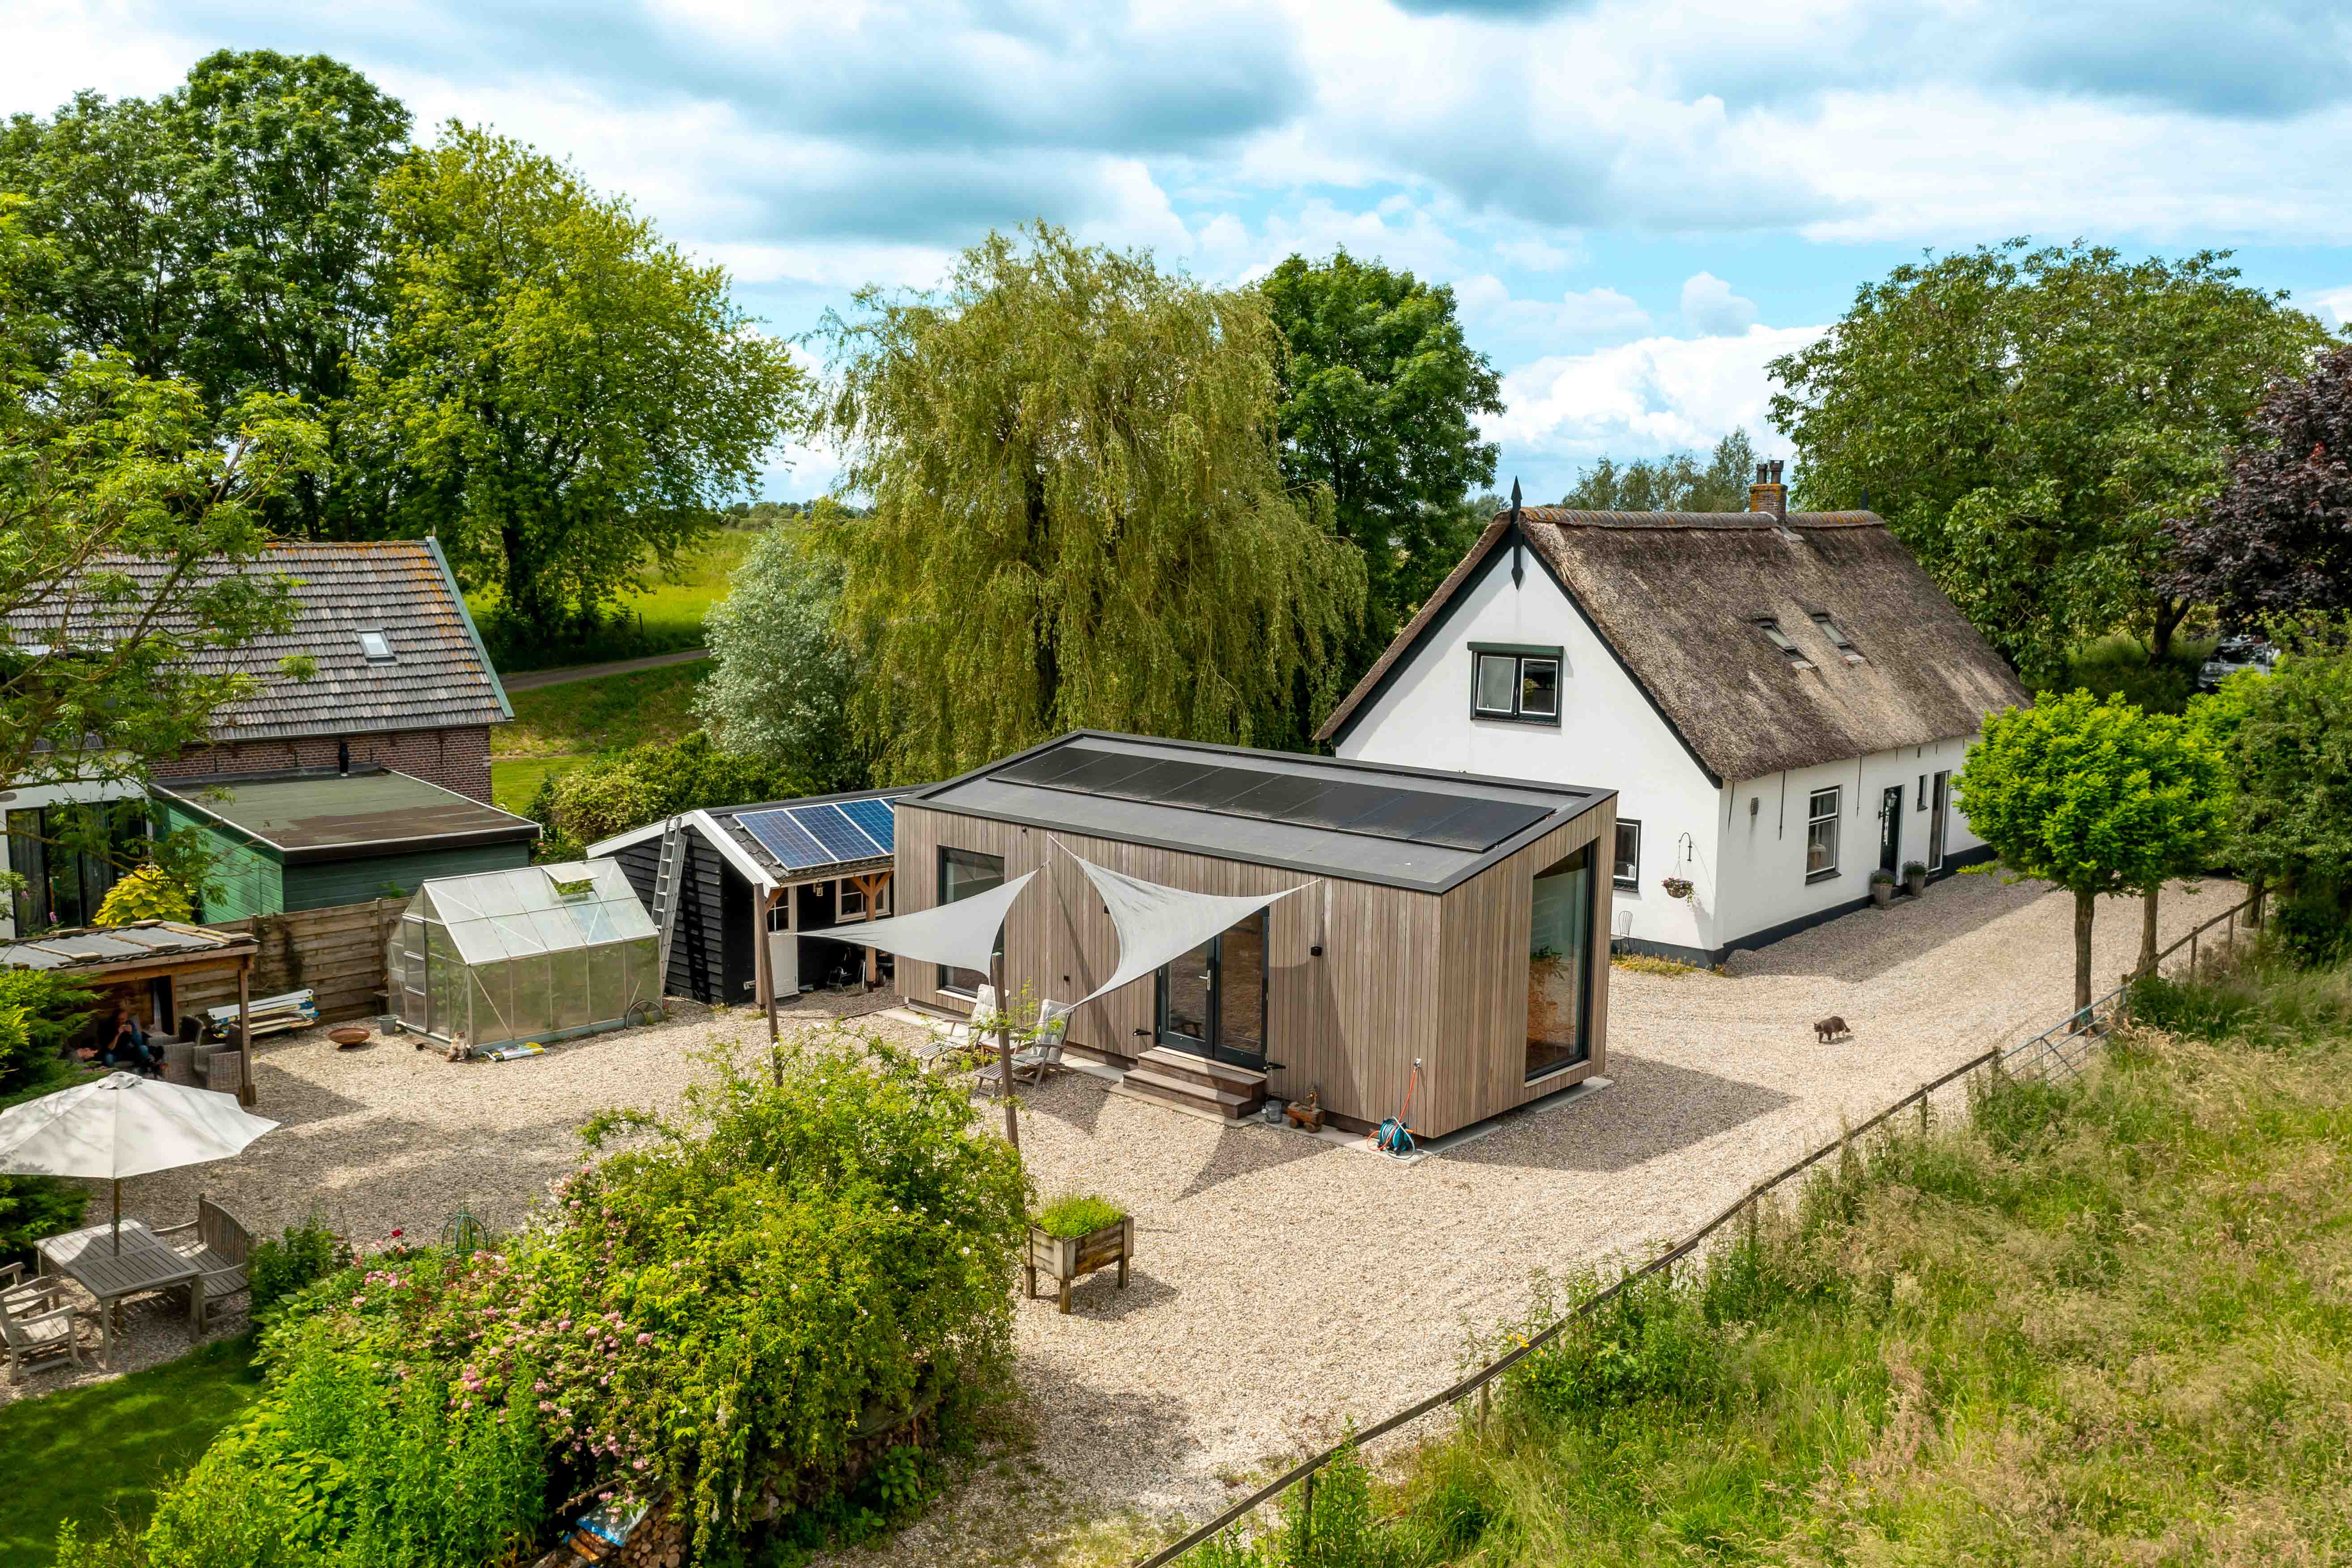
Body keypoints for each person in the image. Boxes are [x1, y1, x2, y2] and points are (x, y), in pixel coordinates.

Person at [81, 998, 162, 1077]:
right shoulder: (107, 1026)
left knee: (143, 1048)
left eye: (123, 1020)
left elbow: (139, 1043)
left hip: (126, 1051)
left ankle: (144, 1070)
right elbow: (110, 1049)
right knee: (108, 1057)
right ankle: (114, 1076)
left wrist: (132, 1033)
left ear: (127, 1019)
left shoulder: (130, 1024)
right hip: (113, 1053)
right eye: (119, 1020)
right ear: (115, 1019)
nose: (121, 1022)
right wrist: (118, 1035)